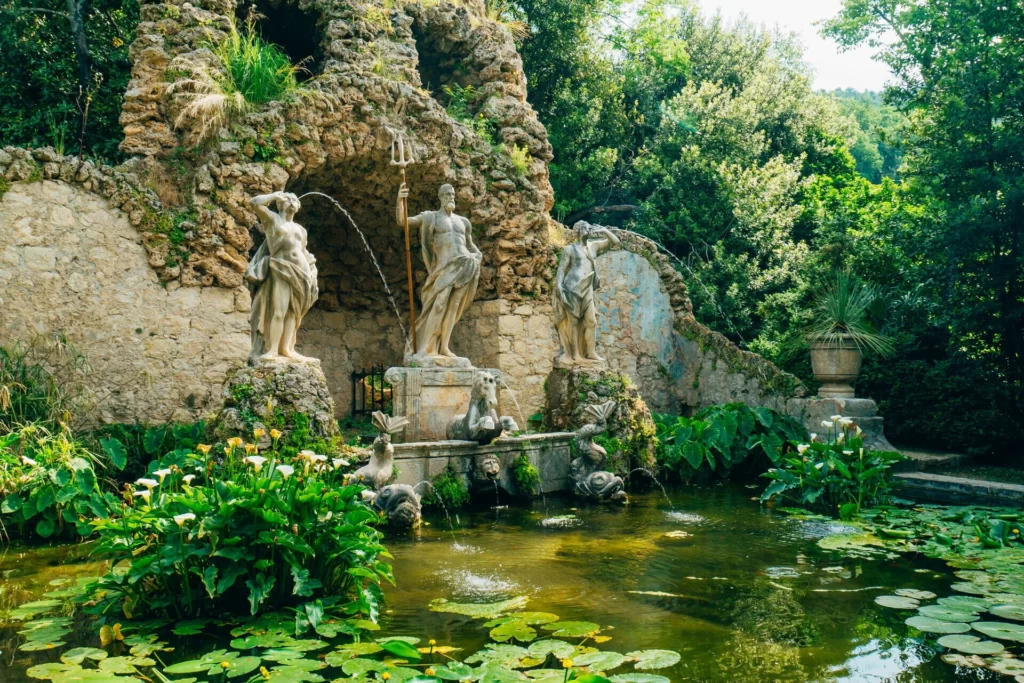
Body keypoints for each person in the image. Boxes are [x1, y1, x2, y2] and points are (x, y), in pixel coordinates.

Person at [396, 182, 481, 359]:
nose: (450, 197)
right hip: (444, 267)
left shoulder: (463, 222)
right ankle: (426, 348)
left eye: (452, 194)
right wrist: (400, 200)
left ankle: (444, 347)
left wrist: (477, 257)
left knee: (454, 306)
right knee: (440, 303)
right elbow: (403, 222)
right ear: (440, 197)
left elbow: (471, 245)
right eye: (447, 194)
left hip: (466, 265)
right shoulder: (431, 218)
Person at [245, 191, 318, 363]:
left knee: (293, 312)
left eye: (295, 200)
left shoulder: (301, 229)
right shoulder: (272, 221)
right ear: (280, 204)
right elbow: (254, 203)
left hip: (301, 273)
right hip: (280, 268)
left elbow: (303, 252)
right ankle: (272, 350)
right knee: (279, 310)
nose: (292, 202)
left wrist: (312, 270)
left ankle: (287, 349)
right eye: (288, 199)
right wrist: (275, 196)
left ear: (299, 207)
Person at [552, 220, 621, 364]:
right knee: (574, 322)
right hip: (572, 288)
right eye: (584, 228)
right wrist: (558, 285)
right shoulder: (570, 249)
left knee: (592, 321)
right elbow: (562, 269)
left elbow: (615, 242)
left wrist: (603, 230)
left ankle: (591, 352)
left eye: (589, 227)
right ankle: (575, 354)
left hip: (587, 288)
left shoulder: (594, 246)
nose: (588, 230)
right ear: (577, 231)